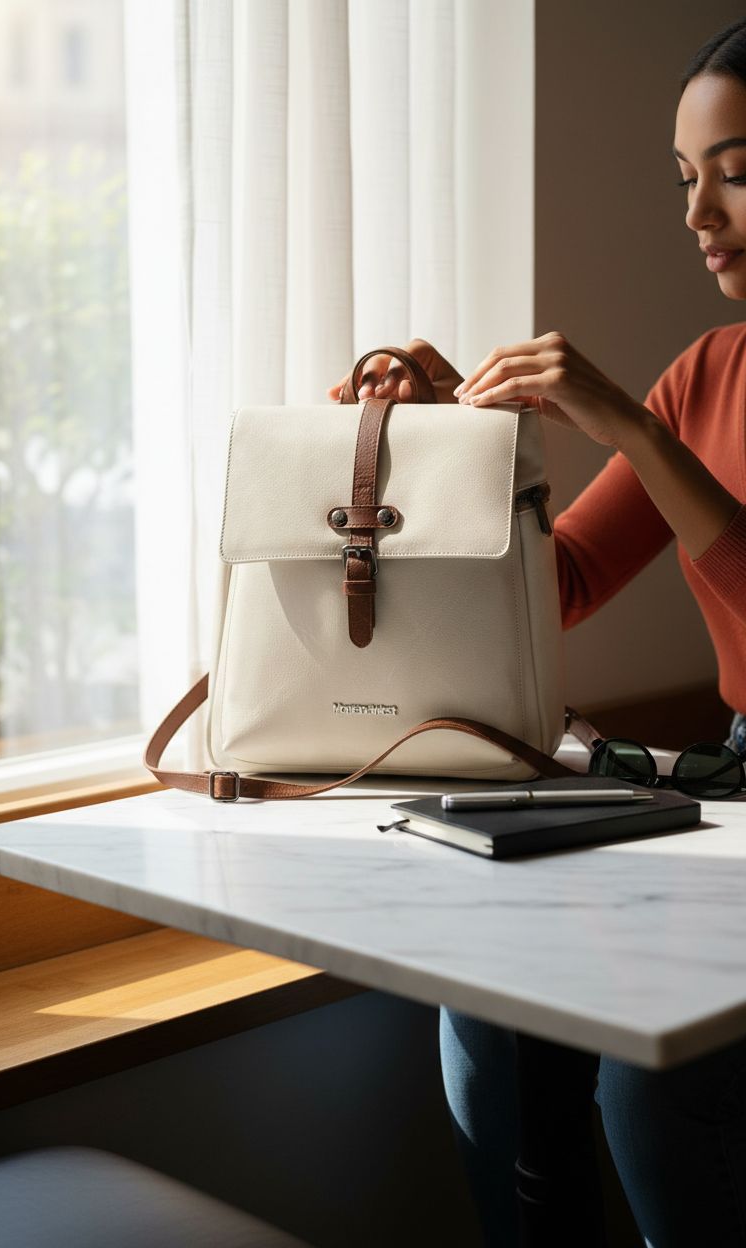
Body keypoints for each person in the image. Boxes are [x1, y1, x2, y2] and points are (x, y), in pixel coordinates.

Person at [329, 18, 746, 1248]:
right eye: (683, 180)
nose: (698, 213)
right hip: (733, 777)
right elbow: (555, 582)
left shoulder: (669, 412)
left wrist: (634, 431)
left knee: (665, 1087)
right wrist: (459, 440)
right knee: (492, 997)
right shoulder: (707, 373)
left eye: (736, 168)